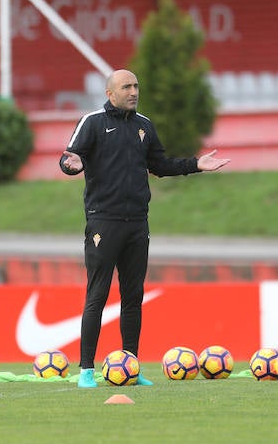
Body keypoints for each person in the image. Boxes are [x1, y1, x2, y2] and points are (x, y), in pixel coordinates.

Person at [59, 69, 230, 388]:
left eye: (136, 85)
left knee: (132, 297)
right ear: (110, 93)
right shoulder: (93, 121)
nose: (134, 91)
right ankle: (85, 371)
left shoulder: (144, 126)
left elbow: (160, 165)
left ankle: (130, 367)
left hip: (137, 222)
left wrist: (195, 165)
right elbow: (70, 157)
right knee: (97, 294)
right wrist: (71, 166)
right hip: (103, 221)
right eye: (127, 86)